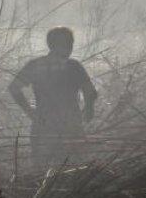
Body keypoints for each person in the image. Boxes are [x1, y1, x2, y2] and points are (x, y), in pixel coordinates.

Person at [8, 26, 98, 169]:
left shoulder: (36, 65)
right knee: (74, 168)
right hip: (69, 127)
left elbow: (14, 88)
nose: (69, 48)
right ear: (54, 45)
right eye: (67, 44)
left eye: (70, 44)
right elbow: (91, 92)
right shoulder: (74, 66)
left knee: (43, 170)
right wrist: (88, 109)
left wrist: (30, 112)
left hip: (45, 125)